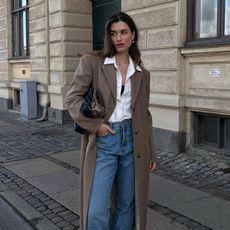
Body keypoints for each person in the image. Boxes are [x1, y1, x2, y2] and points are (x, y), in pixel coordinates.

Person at [66, 12, 156, 230]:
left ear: (133, 35)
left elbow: (145, 115)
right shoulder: (93, 63)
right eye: (113, 33)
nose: (119, 38)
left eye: (124, 32)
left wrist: (151, 152)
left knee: (127, 204)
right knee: (96, 208)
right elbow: (73, 99)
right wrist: (97, 127)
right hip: (106, 139)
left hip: (134, 142)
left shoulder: (142, 73)